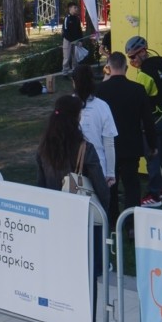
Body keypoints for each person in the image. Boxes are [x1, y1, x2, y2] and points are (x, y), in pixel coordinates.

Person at [96, 52, 151, 206]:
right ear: (126, 68)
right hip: (131, 145)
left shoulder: (99, 90)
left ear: (108, 67)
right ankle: (131, 219)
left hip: (108, 145)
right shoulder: (138, 89)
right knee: (132, 185)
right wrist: (152, 145)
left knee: (110, 184)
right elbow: (148, 121)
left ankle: (112, 217)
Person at [72, 62, 120, 220]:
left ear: (74, 82)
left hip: (72, 164)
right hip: (98, 165)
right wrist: (111, 172)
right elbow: (109, 143)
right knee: (99, 211)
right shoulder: (102, 106)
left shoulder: (68, 104)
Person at [128, 36, 162, 194]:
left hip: (152, 120)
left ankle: (154, 194)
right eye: (129, 58)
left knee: (152, 156)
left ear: (143, 52)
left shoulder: (144, 74)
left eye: (133, 57)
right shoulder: (159, 67)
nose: (131, 61)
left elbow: (138, 99)